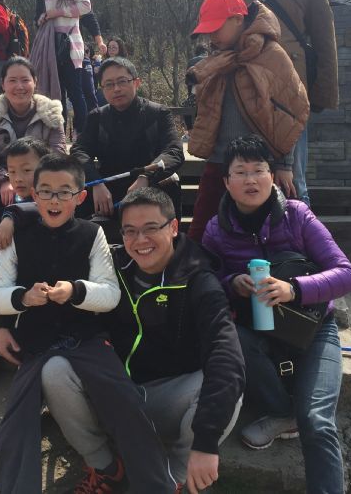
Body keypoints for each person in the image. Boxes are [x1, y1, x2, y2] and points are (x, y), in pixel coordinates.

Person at [0, 153, 176, 493]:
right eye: (46, 191)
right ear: (34, 194)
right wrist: (24, 298)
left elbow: (110, 293)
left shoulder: (92, 233)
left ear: (80, 196)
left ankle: (157, 485)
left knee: (126, 401)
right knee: (15, 425)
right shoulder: (17, 236)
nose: (54, 200)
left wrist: (75, 291)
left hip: (87, 338)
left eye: (64, 192)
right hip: (37, 344)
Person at [35, 187, 245, 493]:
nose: (140, 240)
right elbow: (50, 258)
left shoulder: (200, 280)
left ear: (173, 227)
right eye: (130, 231)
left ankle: (174, 477)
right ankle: (105, 466)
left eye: (151, 228)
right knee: (55, 370)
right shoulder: (112, 266)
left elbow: (226, 353)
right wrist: (11, 217)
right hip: (112, 393)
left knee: (227, 385)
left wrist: (206, 441)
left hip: (166, 399)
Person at [201, 135, 351, 494]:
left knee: (317, 420)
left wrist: (295, 289)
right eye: (241, 172)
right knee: (226, 337)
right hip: (257, 330)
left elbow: (346, 274)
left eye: (259, 170)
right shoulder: (216, 229)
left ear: (272, 176)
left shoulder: (297, 215)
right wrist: (231, 282)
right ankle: (283, 412)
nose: (251, 180)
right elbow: (204, 281)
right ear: (226, 182)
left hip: (314, 328)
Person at [224, 0, 339, 206]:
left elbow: (325, 42)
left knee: (293, 182)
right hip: (247, 94)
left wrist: (321, 95)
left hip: (292, 95)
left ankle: (298, 236)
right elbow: (222, 45)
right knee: (248, 176)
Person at [185, 0, 309, 243]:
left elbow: (291, 111)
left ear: (237, 19)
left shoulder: (271, 55)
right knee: (200, 234)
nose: (212, 36)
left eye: (216, 28)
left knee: (269, 235)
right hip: (219, 162)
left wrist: (285, 164)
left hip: (259, 164)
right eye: (208, 31)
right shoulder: (216, 59)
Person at [0, 57, 65, 274]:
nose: (19, 86)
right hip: (4, 177)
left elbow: (58, 152)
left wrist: (33, 179)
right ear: (3, 84)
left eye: (25, 80)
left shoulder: (51, 113)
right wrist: (5, 180)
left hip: (40, 178)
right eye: (12, 80)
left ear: (35, 82)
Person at [0, 136, 51, 397]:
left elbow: (39, 210)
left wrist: (10, 215)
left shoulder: (53, 197)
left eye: (27, 170)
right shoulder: (14, 201)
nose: (19, 178)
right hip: (12, 272)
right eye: (12, 171)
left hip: (45, 275)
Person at [71, 56, 185, 226]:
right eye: (109, 84)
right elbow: (78, 151)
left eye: (122, 81)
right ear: (102, 89)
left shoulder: (158, 113)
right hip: (109, 190)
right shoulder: (97, 117)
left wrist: (146, 177)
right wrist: (96, 183)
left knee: (171, 186)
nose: (116, 89)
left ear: (136, 83)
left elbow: (174, 151)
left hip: (150, 186)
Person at [39, 0, 93, 137]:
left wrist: (58, 12)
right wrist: (44, 16)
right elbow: (54, 11)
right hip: (53, 44)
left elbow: (85, 6)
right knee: (57, 91)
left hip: (69, 44)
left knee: (74, 91)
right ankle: (58, 135)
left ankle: (82, 135)